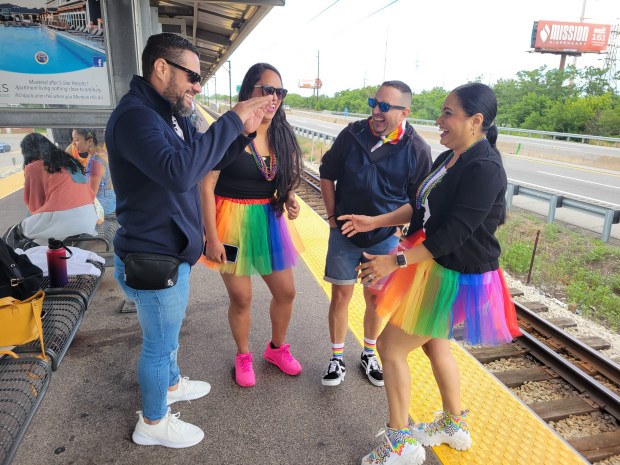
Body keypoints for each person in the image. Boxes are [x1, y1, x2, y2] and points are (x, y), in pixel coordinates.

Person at [339, 83, 521, 465]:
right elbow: (419, 206)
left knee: (389, 347)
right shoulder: (452, 156)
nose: (438, 120)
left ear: (476, 121)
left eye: (448, 113)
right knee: (434, 342)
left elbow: (456, 232)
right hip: (439, 268)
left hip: (461, 276)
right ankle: (454, 426)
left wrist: (396, 261)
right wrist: (376, 220)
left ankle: (401, 444)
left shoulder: (483, 166)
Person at [105, 32, 271, 449]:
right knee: (159, 345)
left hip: (169, 246)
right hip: (152, 251)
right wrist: (231, 118)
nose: (198, 86)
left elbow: (202, 159)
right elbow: (179, 172)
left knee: (170, 334)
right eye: (192, 76)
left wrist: (243, 135)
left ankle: (172, 385)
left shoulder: (166, 113)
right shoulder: (136, 117)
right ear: (161, 68)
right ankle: (153, 422)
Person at [318, 81, 432, 387]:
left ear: (404, 111)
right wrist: (331, 218)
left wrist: (398, 230)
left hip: (383, 239)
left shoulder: (417, 149)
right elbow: (327, 172)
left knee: (376, 299)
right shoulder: (353, 134)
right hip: (344, 231)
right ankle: (337, 358)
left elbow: (418, 200)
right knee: (340, 295)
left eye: (384, 106)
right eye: (374, 102)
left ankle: (369, 353)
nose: (375, 111)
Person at [200, 63, 304, 388]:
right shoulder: (229, 128)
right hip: (229, 221)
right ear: (249, 91)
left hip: (268, 221)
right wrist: (211, 238)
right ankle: (243, 355)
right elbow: (206, 184)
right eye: (266, 89)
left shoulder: (282, 134)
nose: (274, 97)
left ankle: (276, 349)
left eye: (279, 92)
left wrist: (287, 197)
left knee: (286, 292)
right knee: (242, 298)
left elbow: (276, 178)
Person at [4, 132, 98, 247]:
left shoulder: (33, 167)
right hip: (88, 220)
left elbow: (34, 205)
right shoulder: (70, 162)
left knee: (16, 233)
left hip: (61, 221)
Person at [70, 128, 116, 216]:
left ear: (90, 140)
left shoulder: (96, 162)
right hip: (108, 204)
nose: (73, 144)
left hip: (102, 209)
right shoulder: (100, 154)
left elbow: (91, 195)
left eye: (76, 140)